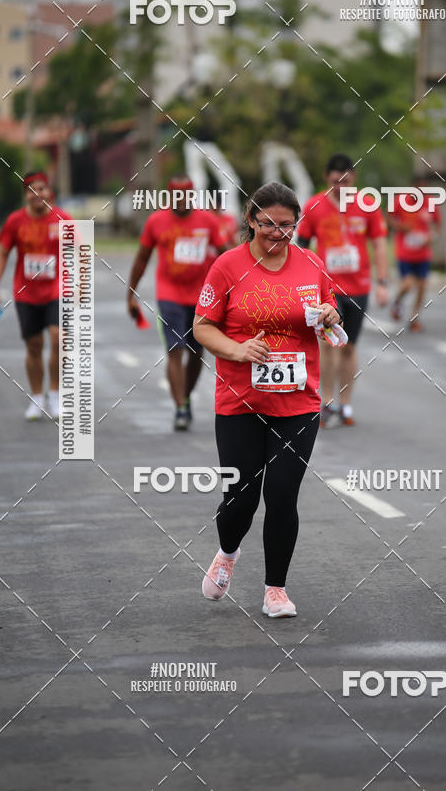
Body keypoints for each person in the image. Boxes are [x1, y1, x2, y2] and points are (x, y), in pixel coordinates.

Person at [193, 181, 341, 618]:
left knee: (281, 495)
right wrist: (238, 350)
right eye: (268, 225)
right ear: (250, 220)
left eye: (287, 225)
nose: (278, 233)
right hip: (239, 401)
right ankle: (227, 551)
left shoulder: (312, 264)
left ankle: (275, 589)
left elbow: (331, 321)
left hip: (298, 402)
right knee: (241, 497)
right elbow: (202, 326)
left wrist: (331, 317)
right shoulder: (226, 266)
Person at [127, 176, 227, 430]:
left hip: (202, 296)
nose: (182, 200)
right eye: (176, 195)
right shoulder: (156, 221)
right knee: (175, 350)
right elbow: (141, 258)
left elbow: (226, 253)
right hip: (169, 295)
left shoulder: (207, 220)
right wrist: (131, 293)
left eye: (186, 195)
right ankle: (180, 408)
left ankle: (185, 396)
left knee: (197, 352)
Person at [296, 153, 388, 427]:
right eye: (336, 182)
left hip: (359, 287)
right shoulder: (314, 205)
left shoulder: (368, 205)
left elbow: (380, 244)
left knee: (349, 347)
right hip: (327, 290)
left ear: (353, 179)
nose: (341, 187)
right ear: (327, 179)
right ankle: (326, 402)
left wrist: (382, 282)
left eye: (346, 181)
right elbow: (302, 246)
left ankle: (345, 404)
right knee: (327, 346)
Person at [0, 171, 72, 420]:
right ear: (26, 195)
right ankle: (37, 397)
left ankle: (55, 395)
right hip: (26, 293)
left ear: (50, 192)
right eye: (32, 190)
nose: (38, 194)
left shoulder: (62, 219)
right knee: (34, 346)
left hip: (56, 289)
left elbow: (78, 253)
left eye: (42, 188)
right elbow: (2, 253)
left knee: (58, 338)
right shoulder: (15, 221)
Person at [387, 186, 441, 332]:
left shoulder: (431, 203)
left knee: (422, 286)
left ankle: (414, 318)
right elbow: (389, 218)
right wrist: (400, 227)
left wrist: (432, 237)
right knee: (408, 284)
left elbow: (437, 225)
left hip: (423, 254)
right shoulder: (400, 201)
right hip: (405, 253)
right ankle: (397, 302)